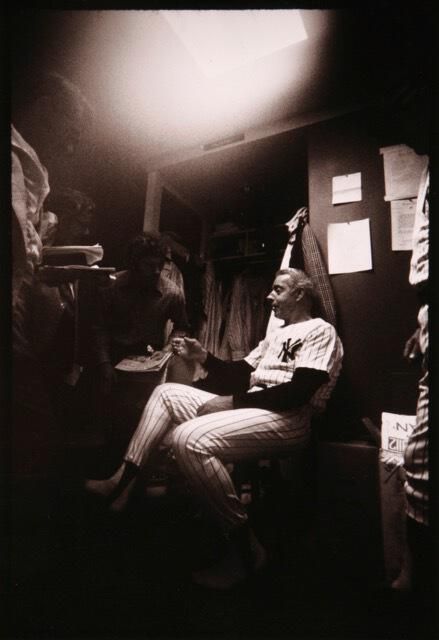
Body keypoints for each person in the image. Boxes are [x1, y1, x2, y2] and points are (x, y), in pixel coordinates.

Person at [86, 268, 343, 589]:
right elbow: (238, 374)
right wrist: (203, 356)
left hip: (289, 420)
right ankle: (124, 481)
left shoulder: (321, 330)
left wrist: (231, 403)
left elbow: (298, 392)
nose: (269, 296)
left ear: (300, 294)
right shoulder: (277, 332)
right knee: (166, 393)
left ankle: (247, 552)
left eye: (278, 290)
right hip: (257, 408)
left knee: (188, 439)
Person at [92, 231, 193, 442]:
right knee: (108, 422)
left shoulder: (172, 293)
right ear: (134, 264)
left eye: (159, 265)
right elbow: (99, 327)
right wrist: (104, 363)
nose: (156, 271)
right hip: (113, 360)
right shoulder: (112, 286)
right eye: (149, 265)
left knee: (142, 422)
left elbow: (182, 327)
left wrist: (166, 351)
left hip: (149, 363)